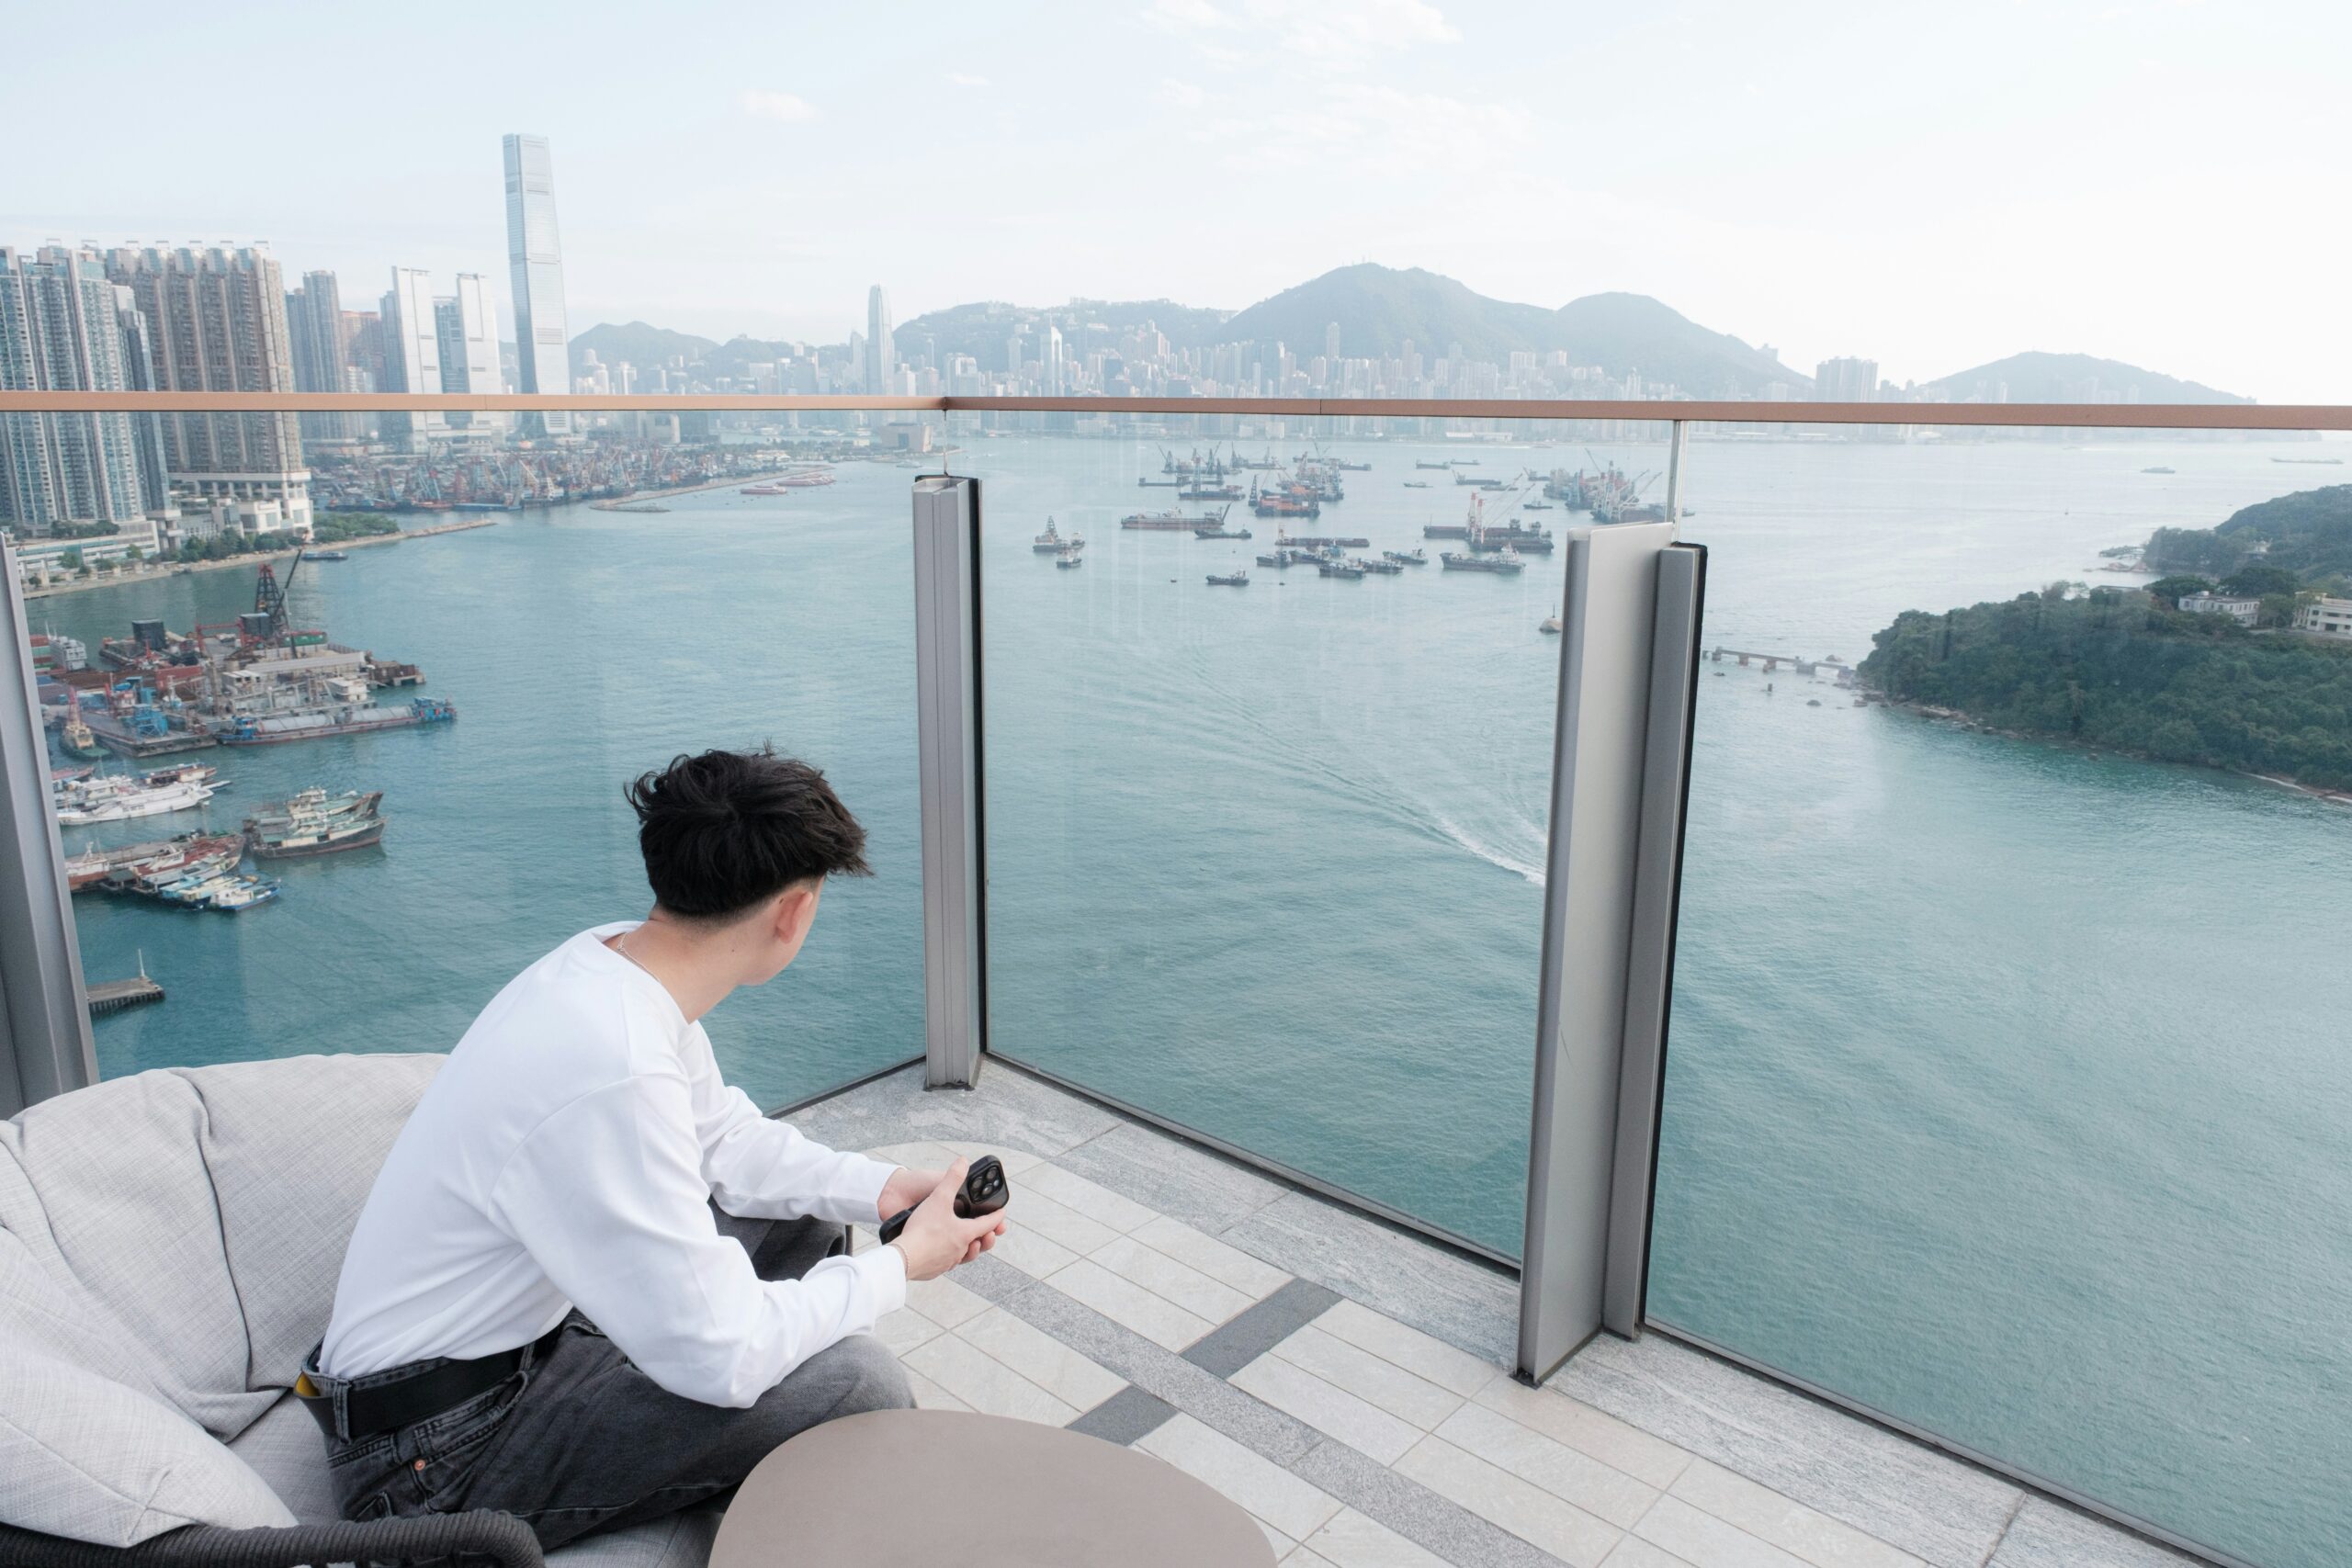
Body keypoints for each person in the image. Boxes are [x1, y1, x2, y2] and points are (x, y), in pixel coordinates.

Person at [301, 748, 1006, 1548]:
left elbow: (725, 1143)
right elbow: (722, 1354)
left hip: (505, 1355)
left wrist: (884, 1188)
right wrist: (901, 1264)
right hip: (427, 1461)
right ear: (793, 913)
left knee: (803, 1223)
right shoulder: (616, 1064)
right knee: (857, 1382)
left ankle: (779, 1468)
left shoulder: (608, 963)